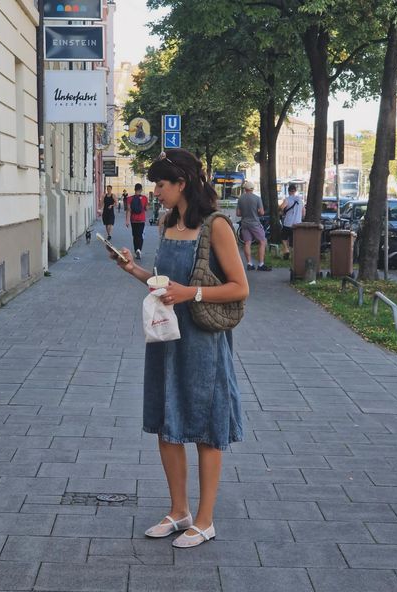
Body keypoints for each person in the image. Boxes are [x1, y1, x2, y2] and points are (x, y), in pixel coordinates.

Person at [108, 148, 248, 549]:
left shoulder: (215, 225)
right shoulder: (168, 222)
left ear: (182, 183)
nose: (156, 191)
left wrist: (192, 293)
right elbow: (163, 283)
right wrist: (133, 269)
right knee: (167, 423)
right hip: (166, 339)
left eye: (161, 184)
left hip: (203, 341)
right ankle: (179, 511)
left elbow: (240, 287)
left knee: (205, 426)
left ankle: (205, 520)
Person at [236, 181, 271, 271]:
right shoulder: (257, 198)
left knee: (247, 243)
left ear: (245, 189)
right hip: (255, 224)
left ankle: (249, 264)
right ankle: (261, 264)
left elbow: (238, 214)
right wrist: (257, 213)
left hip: (244, 224)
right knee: (262, 241)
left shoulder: (240, 199)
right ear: (252, 189)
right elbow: (262, 212)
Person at [279, 184, 305, 259]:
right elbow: (303, 212)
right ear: (295, 191)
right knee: (294, 240)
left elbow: (282, 207)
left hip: (288, 223)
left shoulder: (287, 199)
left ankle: (286, 250)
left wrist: (281, 211)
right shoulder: (300, 200)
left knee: (283, 238)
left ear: (289, 191)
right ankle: (295, 256)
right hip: (297, 224)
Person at [126, 183, 148, 260]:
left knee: (135, 236)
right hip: (142, 220)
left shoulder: (129, 198)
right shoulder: (145, 198)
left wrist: (127, 221)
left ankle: (136, 250)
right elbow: (146, 208)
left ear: (135, 189)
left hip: (133, 220)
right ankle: (139, 250)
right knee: (141, 235)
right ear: (141, 189)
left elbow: (129, 210)